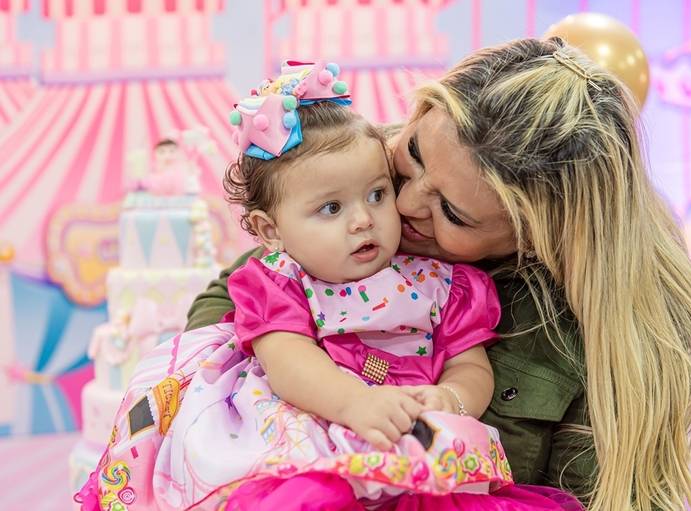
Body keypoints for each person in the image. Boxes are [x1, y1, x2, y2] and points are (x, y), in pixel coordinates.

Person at [185, 39, 691, 510]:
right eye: (413, 155)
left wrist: (450, 400)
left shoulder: (617, 336)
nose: (401, 204)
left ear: (536, 238)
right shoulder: (357, 172)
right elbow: (234, 301)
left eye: (452, 212)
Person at [75, 60, 581, 511]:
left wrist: (454, 397)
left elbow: (468, 362)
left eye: (377, 194)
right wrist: (353, 403)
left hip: (417, 447)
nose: (366, 219)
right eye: (332, 208)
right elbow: (288, 358)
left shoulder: (448, 286)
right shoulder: (282, 279)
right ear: (271, 231)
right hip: (314, 438)